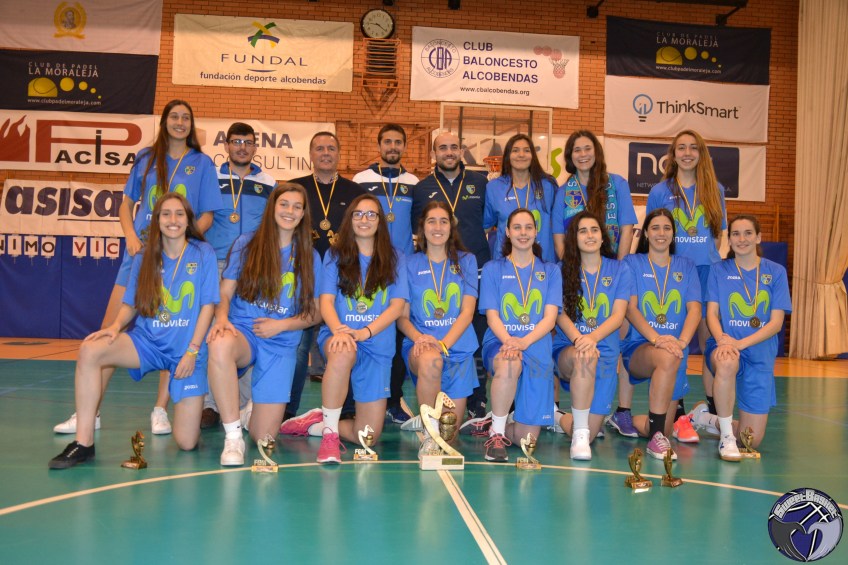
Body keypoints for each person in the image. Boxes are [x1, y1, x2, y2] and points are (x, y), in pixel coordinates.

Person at [53, 100, 222, 437]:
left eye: (186, 118)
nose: (180, 122)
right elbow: (126, 204)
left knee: (173, 326)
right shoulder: (146, 158)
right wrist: (131, 235)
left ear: (191, 125)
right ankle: (90, 411)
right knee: (109, 329)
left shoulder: (202, 163)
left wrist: (183, 242)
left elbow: (207, 215)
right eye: (174, 117)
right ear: (164, 122)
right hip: (141, 255)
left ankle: (160, 409)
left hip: (178, 256)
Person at [49, 193, 219, 469]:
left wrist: (192, 351)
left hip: (186, 352)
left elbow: (208, 306)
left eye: (179, 214)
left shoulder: (203, 253)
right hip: (147, 343)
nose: (173, 220)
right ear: (157, 220)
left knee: (187, 442)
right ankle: (84, 442)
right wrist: (115, 327)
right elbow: (131, 302)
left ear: (188, 220)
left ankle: (187, 408)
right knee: (90, 350)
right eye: (166, 214)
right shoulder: (145, 256)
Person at [282, 194, 407, 464]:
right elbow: (326, 302)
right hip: (339, 334)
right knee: (342, 351)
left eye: (371, 214)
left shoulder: (395, 257)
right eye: (358, 214)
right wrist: (339, 330)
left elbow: (397, 306)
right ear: (350, 219)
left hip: (376, 342)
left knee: (367, 437)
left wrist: (365, 332)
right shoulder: (335, 255)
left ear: (380, 221)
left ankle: (317, 423)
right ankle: (330, 437)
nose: (364, 219)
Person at [206, 184, 321, 466]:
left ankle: (250, 414)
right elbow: (225, 291)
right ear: (272, 207)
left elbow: (315, 313)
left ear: (303, 214)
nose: (289, 211)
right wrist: (222, 319)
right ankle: (233, 436)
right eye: (284, 204)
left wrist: (282, 325)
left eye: (297, 206)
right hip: (244, 331)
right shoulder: (247, 243)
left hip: (281, 340)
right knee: (219, 343)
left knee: (264, 439)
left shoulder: (309, 255)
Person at [644, 129, 727, 430]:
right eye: (681, 148)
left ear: (701, 153)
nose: (687, 153)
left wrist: (708, 259)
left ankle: (714, 409)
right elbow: (654, 231)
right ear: (673, 154)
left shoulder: (715, 189)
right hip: (673, 274)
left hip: (707, 272)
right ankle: (676, 405)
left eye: (693, 147)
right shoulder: (660, 191)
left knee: (709, 342)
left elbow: (718, 234)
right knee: (675, 340)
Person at [690, 215, 791, 461]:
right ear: (730, 239)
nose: (742, 239)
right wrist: (724, 340)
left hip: (759, 355)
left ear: (758, 237)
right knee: (727, 361)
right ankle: (726, 437)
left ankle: (704, 418)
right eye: (735, 233)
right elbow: (711, 314)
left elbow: (776, 323)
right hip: (723, 345)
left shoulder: (776, 272)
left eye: (748, 233)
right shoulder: (718, 270)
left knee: (750, 440)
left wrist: (740, 343)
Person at [201, 122, 278, 430]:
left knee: (248, 332)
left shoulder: (268, 182)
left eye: (247, 142)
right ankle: (211, 405)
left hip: (254, 268)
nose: (242, 147)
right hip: (218, 264)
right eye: (236, 142)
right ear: (227, 145)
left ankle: (243, 405)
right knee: (215, 333)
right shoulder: (212, 178)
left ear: (255, 147)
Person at [412, 131, 491, 420]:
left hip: (472, 267)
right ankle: (428, 407)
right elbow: (417, 229)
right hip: (435, 269)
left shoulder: (480, 183)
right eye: (442, 147)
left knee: (475, 335)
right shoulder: (422, 188)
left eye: (454, 147)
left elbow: (489, 221)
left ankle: (477, 401)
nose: (449, 152)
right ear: (434, 154)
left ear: (461, 151)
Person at [288, 132, 365, 421]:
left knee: (345, 340)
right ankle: (288, 410)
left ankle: (347, 411)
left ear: (339, 154)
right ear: (310, 154)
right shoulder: (296, 188)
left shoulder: (354, 191)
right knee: (298, 348)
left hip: (342, 278)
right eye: (319, 148)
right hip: (303, 275)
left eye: (331, 148)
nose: (325, 153)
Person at [474, 208, 561, 462]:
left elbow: (550, 318)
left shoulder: (551, 271)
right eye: (517, 227)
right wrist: (510, 342)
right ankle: (497, 434)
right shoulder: (493, 269)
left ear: (536, 232)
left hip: (536, 345)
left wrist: (523, 341)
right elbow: (492, 316)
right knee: (510, 362)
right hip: (500, 342)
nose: (523, 233)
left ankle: (497, 419)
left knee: (527, 439)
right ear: (507, 232)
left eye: (528, 227)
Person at [396, 202, 479, 454]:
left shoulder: (467, 261)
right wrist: (421, 338)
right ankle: (429, 431)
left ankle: (427, 420)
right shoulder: (407, 263)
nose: (438, 227)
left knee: (449, 436)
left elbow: (467, 312)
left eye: (443, 221)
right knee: (432, 360)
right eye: (431, 221)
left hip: (457, 349)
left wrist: (443, 344)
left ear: (451, 227)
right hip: (421, 347)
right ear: (422, 227)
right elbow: (402, 317)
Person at [619, 209, 702, 459]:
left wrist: (682, 341)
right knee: (666, 356)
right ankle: (656, 440)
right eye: (655, 227)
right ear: (646, 232)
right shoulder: (632, 263)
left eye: (667, 228)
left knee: (665, 427)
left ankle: (649, 427)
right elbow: (631, 309)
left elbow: (695, 309)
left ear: (673, 233)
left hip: (677, 350)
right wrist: (658, 339)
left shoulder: (686, 266)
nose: (661, 233)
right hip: (639, 347)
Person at [352, 124, 420, 424]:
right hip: (367, 266)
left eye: (398, 142)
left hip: (401, 266)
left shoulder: (413, 182)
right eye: (388, 141)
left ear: (404, 146)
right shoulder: (361, 180)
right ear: (379, 146)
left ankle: (393, 399)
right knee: (362, 326)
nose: (393, 146)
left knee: (397, 332)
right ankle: (355, 400)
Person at [553, 211, 632, 460]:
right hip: (569, 348)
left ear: (603, 236)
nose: (589, 235)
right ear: (574, 238)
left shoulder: (620, 269)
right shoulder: (561, 270)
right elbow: (559, 314)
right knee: (585, 357)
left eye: (594, 230)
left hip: (605, 352)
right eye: (583, 231)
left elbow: (618, 315)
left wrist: (592, 338)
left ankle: (556, 417)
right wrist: (580, 340)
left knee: (592, 432)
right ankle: (578, 435)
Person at [552, 130, 636, 260]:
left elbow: (627, 231)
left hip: (612, 265)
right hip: (576, 267)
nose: (583, 154)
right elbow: (559, 240)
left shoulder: (618, 184)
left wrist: (619, 267)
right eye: (577, 150)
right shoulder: (562, 193)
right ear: (570, 156)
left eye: (588, 148)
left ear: (596, 152)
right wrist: (572, 268)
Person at [484, 133, 557, 263]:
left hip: (542, 262)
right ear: (508, 156)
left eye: (526, 150)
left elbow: (559, 224)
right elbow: (485, 226)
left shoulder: (548, 185)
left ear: (533, 155)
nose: (521, 154)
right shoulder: (494, 187)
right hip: (505, 263)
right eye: (515, 150)